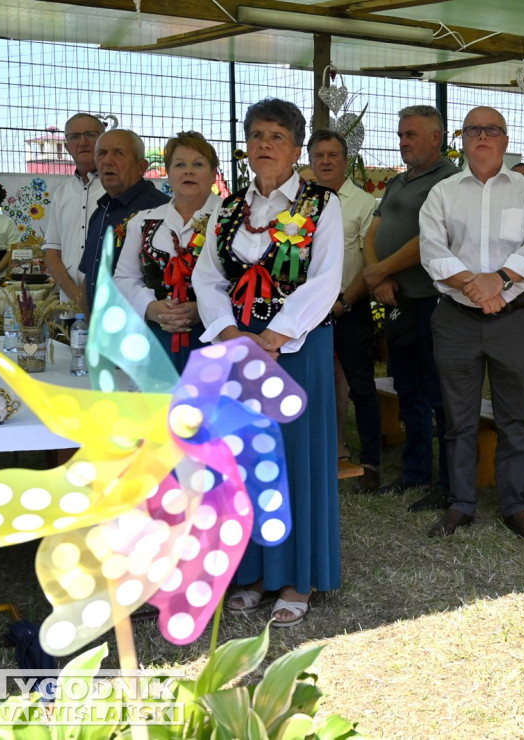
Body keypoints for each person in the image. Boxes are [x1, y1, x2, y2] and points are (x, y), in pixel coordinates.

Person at [194, 98, 344, 627]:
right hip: (239, 348)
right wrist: (233, 334)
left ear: (297, 147)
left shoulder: (321, 204)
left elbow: (326, 278)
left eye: (277, 136)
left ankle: (296, 579)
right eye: (256, 135)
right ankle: (254, 572)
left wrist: (275, 338)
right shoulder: (227, 207)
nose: (264, 144)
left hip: (296, 350)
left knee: (296, 458)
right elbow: (207, 278)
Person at [420, 106, 524, 540]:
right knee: (458, 417)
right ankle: (461, 502)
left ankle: (515, 503)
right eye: (474, 129)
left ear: (505, 140)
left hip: (514, 318)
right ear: (462, 138)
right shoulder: (442, 192)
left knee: (515, 416)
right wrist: (474, 287)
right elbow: (432, 250)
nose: (482, 136)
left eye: (491, 129)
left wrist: (499, 282)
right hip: (456, 318)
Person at [363, 105, 457, 510]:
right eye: (401, 135)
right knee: (408, 389)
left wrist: (381, 270)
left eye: (411, 135)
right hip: (398, 300)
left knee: (440, 394)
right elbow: (373, 231)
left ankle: (448, 482)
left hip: (435, 302)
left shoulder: (450, 181)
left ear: (436, 137)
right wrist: (378, 276)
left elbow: (429, 240)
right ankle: (415, 471)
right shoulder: (398, 183)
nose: (403, 142)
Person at [307, 128, 381, 491]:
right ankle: (322, 452)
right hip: (306, 313)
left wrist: (344, 303)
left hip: (349, 306)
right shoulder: (301, 204)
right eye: (318, 155)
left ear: (346, 160)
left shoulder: (364, 205)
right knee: (310, 382)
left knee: (361, 385)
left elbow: (369, 265)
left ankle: (370, 463)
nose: (324, 162)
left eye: (332, 155)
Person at [113, 131, 222, 372]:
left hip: (216, 338)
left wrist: (203, 309)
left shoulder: (231, 220)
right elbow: (123, 278)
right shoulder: (143, 222)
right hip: (158, 338)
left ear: (214, 174)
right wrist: (151, 308)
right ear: (168, 173)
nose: (188, 171)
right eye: (180, 164)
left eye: (198, 164)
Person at [78, 129, 169, 314]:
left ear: (142, 166)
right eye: (102, 153)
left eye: (119, 153)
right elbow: (90, 276)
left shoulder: (160, 210)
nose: (108, 161)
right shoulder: (100, 211)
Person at [43, 113, 106, 306]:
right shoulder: (61, 194)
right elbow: (52, 251)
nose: (83, 142)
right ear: (68, 145)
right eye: (75, 137)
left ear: (103, 140)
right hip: (70, 307)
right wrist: (78, 297)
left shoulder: (119, 189)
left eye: (90, 134)